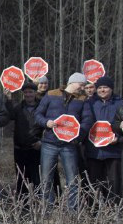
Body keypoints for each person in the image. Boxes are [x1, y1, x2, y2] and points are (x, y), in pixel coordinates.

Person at [33, 72, 94, 209]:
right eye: (81, 85)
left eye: (84, 86)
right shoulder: (51, 94)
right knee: (46, 178)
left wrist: (77, 137)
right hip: (49, 143)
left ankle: (72, 209)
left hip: (69, 145)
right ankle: (47, 208)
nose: (82, 88)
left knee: (72, 178)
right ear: (72, 82)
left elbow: (87, 121)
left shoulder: (83, 100)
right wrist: (46, 122)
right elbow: (37, 114)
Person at [83, 76, 122, 201]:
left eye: (105, 87)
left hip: (114, 151)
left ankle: (114, 208)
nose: (102, 90)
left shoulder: (121, 103)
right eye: (99, 88)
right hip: (94, 151)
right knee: (94, 181)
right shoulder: (89, 103)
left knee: (114, 182)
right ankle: (95, 210)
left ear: (111, 89)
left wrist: (119, 137)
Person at [4, 81, 42, 195]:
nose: (28, 95)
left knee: (37, 177)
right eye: (25, 92)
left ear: (35, 93)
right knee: (21, 176)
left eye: (31, 92)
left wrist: (41, 141)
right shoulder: (18, 107)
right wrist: (9, 100)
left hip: (36, 148)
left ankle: (38, 203)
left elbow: (47, 127)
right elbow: (10, 115)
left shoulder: (42, 107)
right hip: (20, 148)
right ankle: (22, 203)